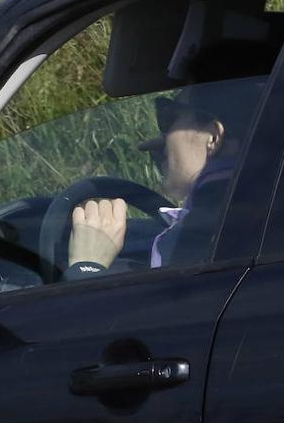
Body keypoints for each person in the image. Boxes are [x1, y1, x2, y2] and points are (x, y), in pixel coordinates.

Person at [66, 79, 260, 277]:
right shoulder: (255, 208)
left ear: (213, 137)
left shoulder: (201, 233)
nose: (163, 135)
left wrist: (87, 265)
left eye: (169, 118)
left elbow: (167, 306)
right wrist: (174, 159)